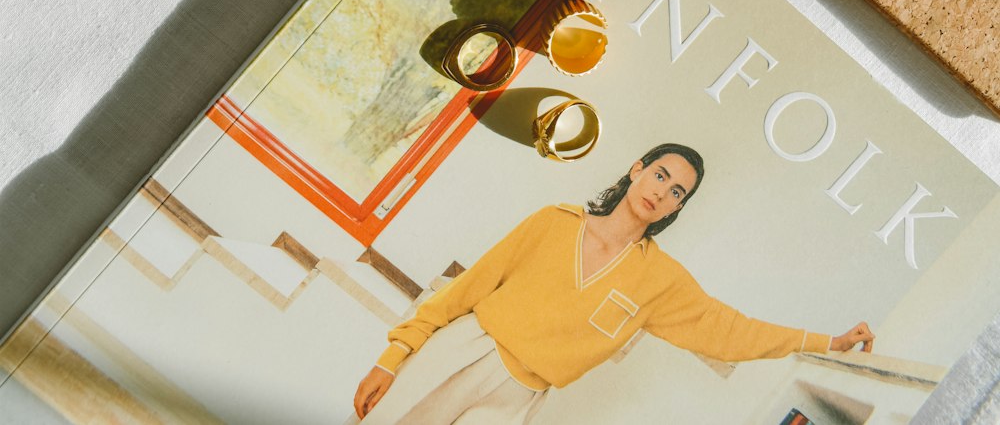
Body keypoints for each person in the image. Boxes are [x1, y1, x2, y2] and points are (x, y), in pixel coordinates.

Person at [353, 142, 875, 422]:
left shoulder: (660, 281)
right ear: (638, 169)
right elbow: (461, 295)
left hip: (519, 397)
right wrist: (389, 358)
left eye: (678, 194)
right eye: (662, 176)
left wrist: (830, 342)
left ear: (678, 209)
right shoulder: (553, 222)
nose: (663, 192)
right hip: (461, 354)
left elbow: (730, 330)